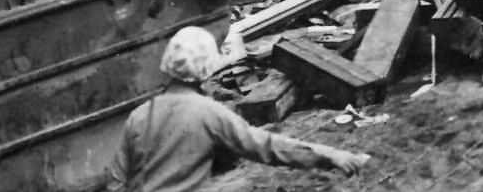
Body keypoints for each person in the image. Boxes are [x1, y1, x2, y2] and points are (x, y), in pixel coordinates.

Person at [106, 26, 367, 190]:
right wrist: (330, 155)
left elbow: (116, 181)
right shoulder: (208, 112)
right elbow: (265, 146)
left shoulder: (140, 115)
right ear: (207, 67)